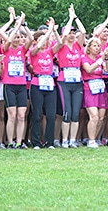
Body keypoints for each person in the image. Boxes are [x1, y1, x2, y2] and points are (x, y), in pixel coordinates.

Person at [29, 19, 63, 149]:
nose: (45, 42)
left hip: (50, 84)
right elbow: (38, 47)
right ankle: (36, 142)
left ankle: (49, 141)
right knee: (37, 114)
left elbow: (60, 43)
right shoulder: (33, 52)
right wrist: (47, 32)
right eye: (42, 39)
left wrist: (54, 30)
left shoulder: (49, 52)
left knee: (51, 115)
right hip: (37, 84)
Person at [1, 10, 33, 148]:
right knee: (12, 115)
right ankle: (10, 141)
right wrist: (16, 24)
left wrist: (23, 25)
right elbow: (8, 40)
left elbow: (31, 39)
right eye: (15, 36)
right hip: (9, 84)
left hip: (21, 85)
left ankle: (19, 142)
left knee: (21, 115)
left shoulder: (22, 50)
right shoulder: (6, 49)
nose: (17, 39)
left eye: (19, 37)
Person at [57, 4, 87, 148]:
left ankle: (73, 140)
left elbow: (83, 31)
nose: (72, 34)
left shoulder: (77, 46)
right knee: (67, 112)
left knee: (76, 112)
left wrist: (75, 17)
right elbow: (62, 37)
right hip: (64, 81)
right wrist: (69, 19)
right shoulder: (62, 46)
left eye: (73, 33)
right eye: (70, 32)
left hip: (77, 80)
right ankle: (64, 140)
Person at [81, 37, 108, 148]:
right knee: (94, 116)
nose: (97, 48)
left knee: (101, 117)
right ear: (88, 48)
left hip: (100, 87)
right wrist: (100, 60)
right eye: (94, 45)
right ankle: (91, 140)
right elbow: (89, 69)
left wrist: (106, 59)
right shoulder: (84, 58)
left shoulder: (100, 58)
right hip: (89, 87)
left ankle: (94, 137)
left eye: (98, 46)